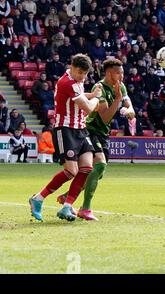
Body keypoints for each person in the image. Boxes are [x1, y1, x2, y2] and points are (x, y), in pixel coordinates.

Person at [56, 58, 135, 221]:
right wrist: (118, 99)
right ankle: (84, 209)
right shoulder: (99, 87)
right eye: (118, 72)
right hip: (91, 130)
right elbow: (105, 117)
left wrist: (130, 111)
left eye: (122, 72)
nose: (121, 75)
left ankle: (68, 196)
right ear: (108, 73)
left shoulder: (121, 86)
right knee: (99, 165)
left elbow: (129, 103)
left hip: (103, 133)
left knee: (96, 173)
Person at [29, 54, 102, 222]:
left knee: (87, 168)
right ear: (72, 67)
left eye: (85, 74)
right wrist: (97, 97)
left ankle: (67, 206)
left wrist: (93, 93)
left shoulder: (77, 81)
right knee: (71, 171)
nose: (83, 77)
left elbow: (82, 99)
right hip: (65, 130)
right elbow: (89, 108)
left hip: (80, 129)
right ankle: (38, 198)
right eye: (80, 73)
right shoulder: (67, 82)